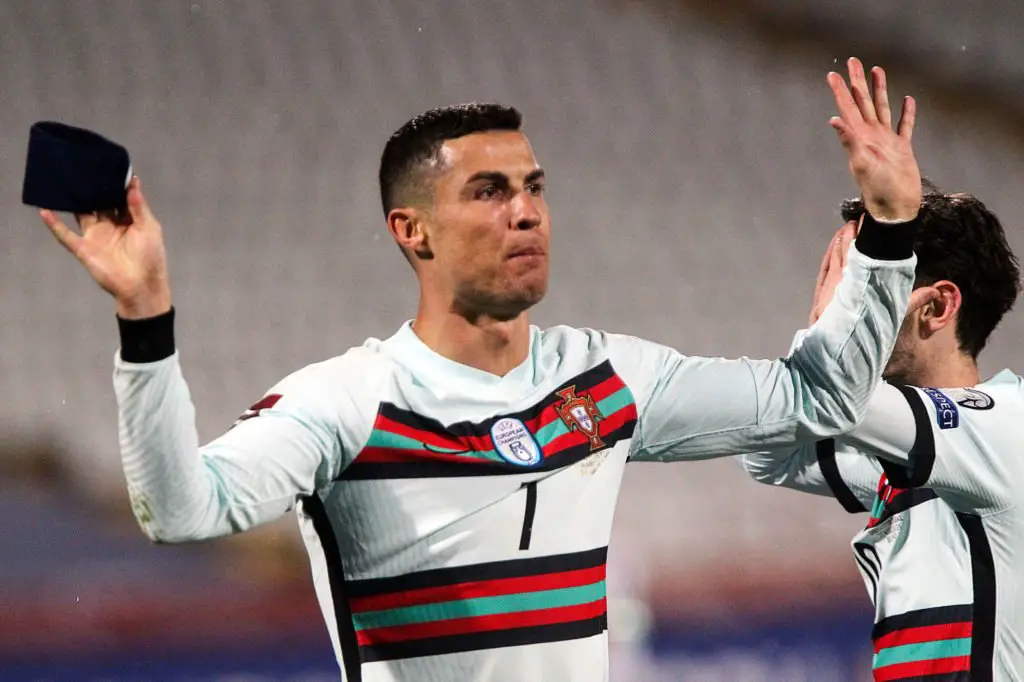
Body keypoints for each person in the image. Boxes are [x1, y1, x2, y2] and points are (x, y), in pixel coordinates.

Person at [42, 59, 921, 682]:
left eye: (534, 187)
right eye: (489, 192)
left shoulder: (607, 379)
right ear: (411, 230)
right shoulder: (348, 404)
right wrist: (145, 316)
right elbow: (179, 510)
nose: (526, 212)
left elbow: (817, 398)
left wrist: (887, 234)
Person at [742, 187, 1024, 681]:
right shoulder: (904, 444)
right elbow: (766, 452)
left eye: (867, 285)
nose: (847, 308)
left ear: (936, 307)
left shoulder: (1004, 424)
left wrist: (825, 333)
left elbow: (818, 401)